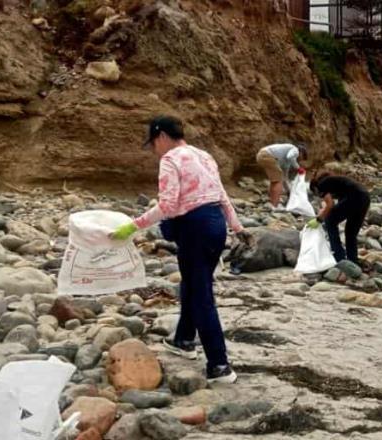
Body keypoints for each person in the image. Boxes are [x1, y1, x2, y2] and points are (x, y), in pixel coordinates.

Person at [111, 116, 249, 384]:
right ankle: (184, 340)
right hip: (215, 225)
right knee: (195, 284)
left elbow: (169, 206)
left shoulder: (170, 160)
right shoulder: (204, 156)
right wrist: (238, 227)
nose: (154, 150)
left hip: (194, 227)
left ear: (161, 136)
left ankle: (219, 365)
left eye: (153, 143)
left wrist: (134, 226)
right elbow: (222, 196)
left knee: (202, 296)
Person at [307, 171, 370, 265]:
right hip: (365, 197)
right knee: (350, 233)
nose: (320, 197)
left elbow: (330, 204)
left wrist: (319, 219)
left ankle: (338, 256)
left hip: (355, 197)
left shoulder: (321, 185)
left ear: (315, 188)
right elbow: (337, 206)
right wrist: (324, 213)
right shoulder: (339, 184)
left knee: (330, 221)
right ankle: (352, 260)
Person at [256, 143, 307, 211]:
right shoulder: (295, 150)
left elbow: (285, 178)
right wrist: (298, 168)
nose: (299, 160)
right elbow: (290, 156)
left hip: (262, 156)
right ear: (301, 153)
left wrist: (289, 191)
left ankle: (272, 204)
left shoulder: (287, 161)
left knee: (275, 180)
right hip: (267, 155)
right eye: (301, 157)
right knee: (278, 181)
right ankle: (275, 206)